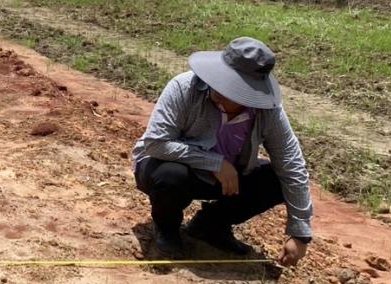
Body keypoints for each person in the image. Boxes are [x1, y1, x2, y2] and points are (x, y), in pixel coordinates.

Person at [131, 37, 313, 267]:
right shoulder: (183, 88)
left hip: (228, 179)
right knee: (171, 176)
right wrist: (213, 162)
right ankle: (167, 229)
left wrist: (300, 233)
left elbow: (292, 164)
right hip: (167, 167)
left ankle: (210, 226)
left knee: (276, 179)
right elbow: (156, 143)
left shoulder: (268, 112)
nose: (218, 87)